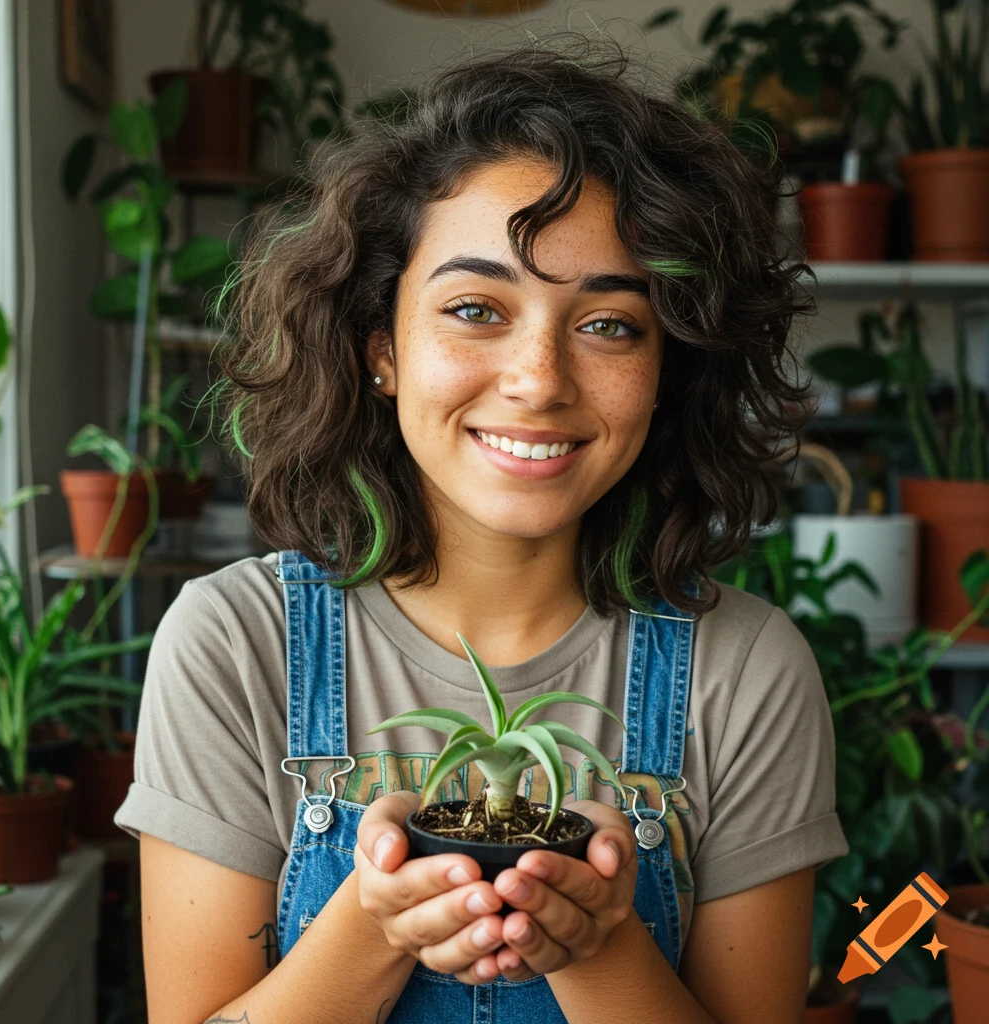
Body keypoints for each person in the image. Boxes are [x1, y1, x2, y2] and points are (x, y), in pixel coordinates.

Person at [117, 33, 849, 1024]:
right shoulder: (236, 647)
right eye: (474, 308)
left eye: (609, 324)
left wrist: (595, 943)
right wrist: (374, 926)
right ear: (380, 346)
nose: (539, 378)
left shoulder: (744, 671)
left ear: (669, 365)